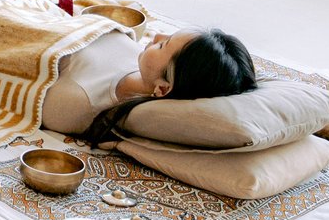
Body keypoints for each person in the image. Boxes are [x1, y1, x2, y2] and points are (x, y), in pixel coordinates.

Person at [41, 26, 257, 138]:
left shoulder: (79, 101)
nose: (157, 36)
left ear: (162, 88)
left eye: (164, 46)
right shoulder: (145, 64)